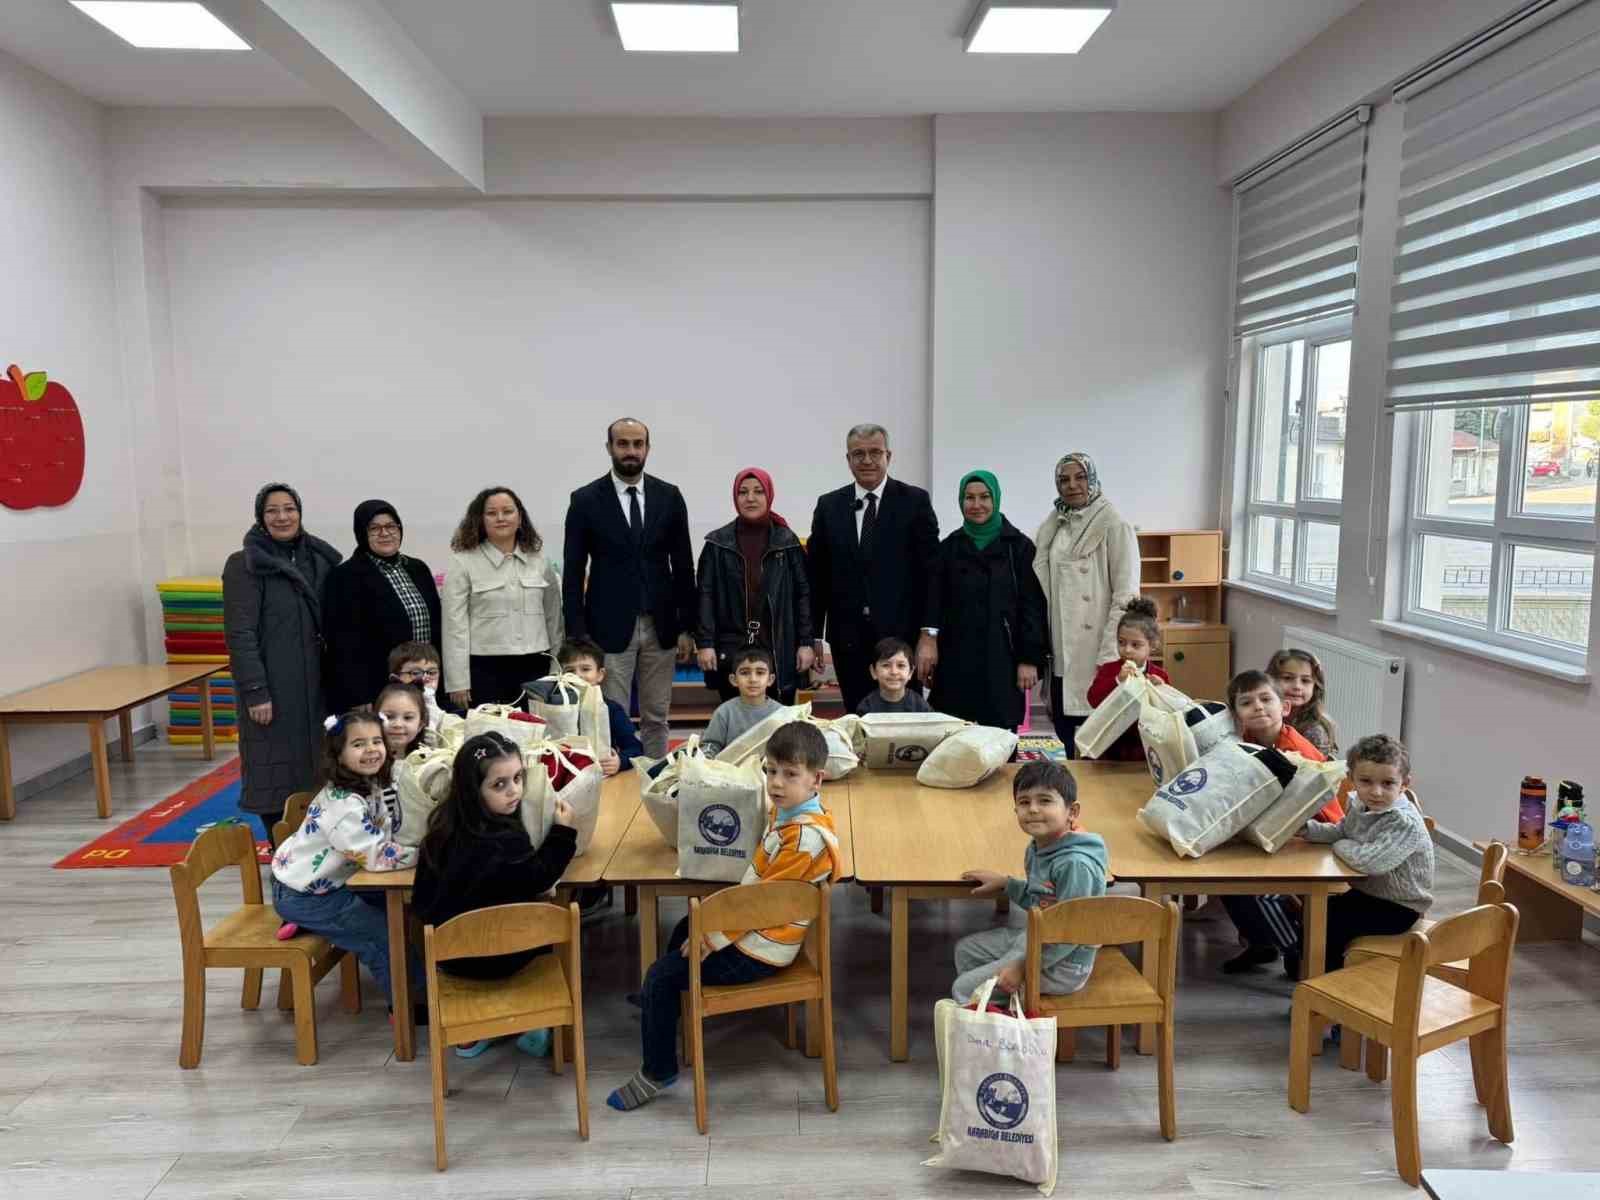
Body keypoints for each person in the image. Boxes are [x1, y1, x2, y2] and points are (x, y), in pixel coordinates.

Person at [607, 721, 841, 1112]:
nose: (776, 783)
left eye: (789, 774)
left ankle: (657, 1070)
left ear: (816, 779)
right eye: (770, 770)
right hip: (761, 928)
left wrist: (712, 937)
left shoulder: (803, 837)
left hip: (763, 948)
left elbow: (762, 905)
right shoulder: (793, 815)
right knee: (683, 928)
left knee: (660, 974)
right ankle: (665, 1006)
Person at [411, 732, 579, 1059]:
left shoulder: (437, 834)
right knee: (548, 912)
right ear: (473, 790)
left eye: (518, 778)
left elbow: (420, 904)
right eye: (499, 784)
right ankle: (536, 1019)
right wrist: (563, 832)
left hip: (453, 962)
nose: (514, 790)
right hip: (510, 960)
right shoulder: (506, 841)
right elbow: (541, 877)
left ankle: (478, 1028)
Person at [269, 711, 422, 1022]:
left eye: (377, 741)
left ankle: (420, 984)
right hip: (307, 896)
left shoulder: (368, 783)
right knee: (383, 934)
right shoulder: (344, 805)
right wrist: (422, 854)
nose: (371, 749)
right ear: (338, 754)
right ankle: (406, 1007)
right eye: (358, 744)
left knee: (404, 909)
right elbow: (375, 856)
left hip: (325, 883)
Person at [561, 418, 697, 758]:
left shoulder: (669, 496)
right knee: (610, 714)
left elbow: (683, 565)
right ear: (609, 448)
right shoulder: (585, 500)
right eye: (623, 444)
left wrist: (687, 626)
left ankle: (655, 777)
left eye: (638, 444)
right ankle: (615, 776)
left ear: (648, 448)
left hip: (661, 625)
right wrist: (577, 633)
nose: (631, 451)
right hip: (607, 627)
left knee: (657, 716)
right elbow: (574, 571)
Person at [223, 482, 342, 840]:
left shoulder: (319, 559)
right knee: (273, 770)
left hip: (318, 686)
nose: (282, 517)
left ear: (300, 513)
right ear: (260, 517)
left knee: (320, 767)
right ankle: (281, 847)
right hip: (273, 689)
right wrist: (255, 690)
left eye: (289, 509)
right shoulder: (244, 565)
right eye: (272, 510)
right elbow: (240, 634)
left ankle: (320, 845)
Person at [807, 423, 940, 714]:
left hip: (901, 637)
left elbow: (932, 574)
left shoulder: (915, 501)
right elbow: (817, 577)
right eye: (858, 454)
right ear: (848, 459)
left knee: (904, 720)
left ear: (888, 456)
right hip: (848, 639)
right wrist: (813, 636)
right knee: (857, 719)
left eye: (875, 453)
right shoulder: (829, 506)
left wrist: (928, 635)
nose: (867, 460)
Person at [1219, 670, 1345, 976]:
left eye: (1266, 699)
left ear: (1285, 707)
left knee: (1259, 890)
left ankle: (1297, 950)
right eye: (1247, 703)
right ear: (1236, 715)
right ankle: (1262, 944)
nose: (1258, 707)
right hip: (1281, 830)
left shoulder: (1294, 750)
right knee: (1221, 877)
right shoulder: (1248, 740)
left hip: (1318, 836)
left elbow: (1305, 808)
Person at [955, 761, 1108, 1003]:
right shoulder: (1039, 846)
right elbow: (1042, 900)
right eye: (1024, 802)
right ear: (1015, 809)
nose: (1033, 809)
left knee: (964, 988)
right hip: (1037, 939)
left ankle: (997, 1018)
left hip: (1065, 964)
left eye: (1045, 801)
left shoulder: (1074, 864)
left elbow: (1070, 933)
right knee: (966, 952)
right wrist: (1006, 884)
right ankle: (998, 1008)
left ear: (1072, 812)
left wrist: (1023, 966)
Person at [921, 470, 1048, 731]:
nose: (976, 504)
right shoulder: (949, 548)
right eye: (969, 498)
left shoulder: (1019, 547)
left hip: (1002, 659)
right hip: (956, 659)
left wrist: (1029, 658)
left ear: (996, 499)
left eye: (984, 497)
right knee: (953, 736)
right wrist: (929, 640)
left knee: (999, 739)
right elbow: (933, 601)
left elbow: (1032, 606)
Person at [1032, 452, 1139, 756]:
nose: (1072, 485)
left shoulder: (1114, 524)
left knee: (1098, 736)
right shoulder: (1056, 523)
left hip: (1096, 648)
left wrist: (1111, 653)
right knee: (1066, 731)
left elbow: (1126, 595)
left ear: (1092, 479)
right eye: (1064, 479)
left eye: (1080, 477)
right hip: (1061, 648)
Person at [1298, 735, 1434, 974]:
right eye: (1366, 781)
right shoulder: (1361, 805)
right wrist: (1307, 829)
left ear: (1404, 783)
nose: (1376, 792)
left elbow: (1369, 862)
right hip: (1369, 893)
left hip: (1399, 907)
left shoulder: (1402, 822)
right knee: (1314, 913)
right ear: (1351, 779)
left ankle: (1328, 982)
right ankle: (1304, 967)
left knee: (1331, 926)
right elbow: (1343, 830)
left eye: (1388, 783)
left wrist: (1340, 844)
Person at [695, 467, 814, 704]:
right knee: (736, 718)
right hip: (732, 646)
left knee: (780, 720)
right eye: (743, 492)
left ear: (769, 495)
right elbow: (705, 596)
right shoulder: (717, 544)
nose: (750, 498)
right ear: (735, 497)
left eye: (758, 491)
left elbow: (803, 595)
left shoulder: (787, 542)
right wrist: (705, 643)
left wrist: (806, 643)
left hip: (778, 646)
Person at [443, 486, 563, 708]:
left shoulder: (540, 562)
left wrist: (557, 671)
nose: (500, 518)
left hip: (537, 667)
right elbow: (454, 628)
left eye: (508, 511)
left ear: (520, 518)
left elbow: (554, 620)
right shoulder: (463, 563)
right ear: (480, 520)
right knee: (491, 728)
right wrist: (458, 681)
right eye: (491, 513)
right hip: (485, 670)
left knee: (538, 728)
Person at [322, 500, 441, 715]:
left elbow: (437, 627)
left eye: (391, 526)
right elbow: (342, 644)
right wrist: (359, 695)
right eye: (374, 528)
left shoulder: (418, 569)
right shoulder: (344, 577)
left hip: (426, 684)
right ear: (362, 533)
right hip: (377, 689)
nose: (384, 533)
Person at [1085, 597, 1172, 762]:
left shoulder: (1160, 675)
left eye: (1135, 645)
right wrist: (1117, 681)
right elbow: (1093, 699)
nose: (1127, 650)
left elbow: (1168, 714)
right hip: (1109, 747)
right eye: (1121, 642)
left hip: (1144, 749)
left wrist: (1161, 691)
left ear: (1152, 645)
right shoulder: (1109, 669)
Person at [557, 638, 645, 776]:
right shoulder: (553, 709)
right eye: (570, 671)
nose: (577, 675)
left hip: (602, 776)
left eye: (585, 669)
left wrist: (620, 761)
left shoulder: (612, 709)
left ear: (600, 675)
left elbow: (635, 748)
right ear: (560, 676)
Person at [700, 647, 783, 758]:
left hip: (769, 768)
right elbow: (710, 745)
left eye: (760, 673)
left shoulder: (781, 713)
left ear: (770, 679)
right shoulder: (724, 712)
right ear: (733, 680)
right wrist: (706, 761)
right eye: (745, 673)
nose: (753, 679)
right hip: (730, 767)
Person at [1268, 648, 1339, 756]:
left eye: (1305, 681)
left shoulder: (1315, 731)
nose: (1297, 686)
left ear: (1315, 687)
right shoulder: (1263, 712)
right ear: (1270, 681)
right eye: (1287, 678)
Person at [857, 636, 933, 715]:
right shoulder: (866, 708)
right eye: (886, 665)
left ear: (910, 672)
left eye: (900, 665)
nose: (894, 672)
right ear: (873, 672)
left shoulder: (920, 706)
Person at [388, 641, 449, 732]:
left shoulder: (448, 717)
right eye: (416, 673)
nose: (425, 678)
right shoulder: (388, 713)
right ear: (395, 677)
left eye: (432, 672)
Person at [375, 681, 431, 761]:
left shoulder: (430, 760)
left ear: (420, 725)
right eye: (389, 717)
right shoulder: (368, 760)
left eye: (407, 718)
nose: (398, 724)